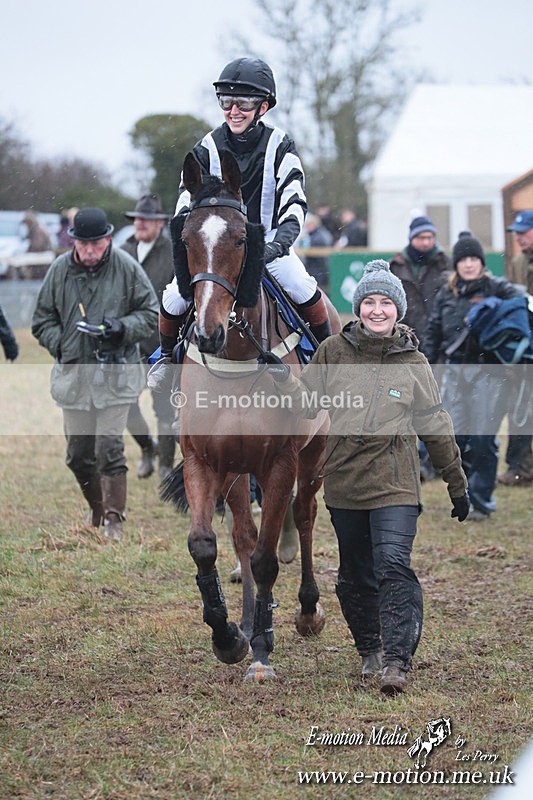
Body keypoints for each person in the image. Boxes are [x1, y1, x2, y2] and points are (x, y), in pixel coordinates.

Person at [268, 259, 469, 696]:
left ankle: (397, 661)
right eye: (370, 302)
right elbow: (306, 406)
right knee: (354, 576)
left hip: (395, 484)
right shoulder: (332, 353)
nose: (378, 310)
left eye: (386, 303)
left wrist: (457, 484)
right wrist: (284, 378)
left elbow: (435, 425)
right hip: (344, 484)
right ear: (358, 307)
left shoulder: (414, 363)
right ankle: (369, 650)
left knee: (393, 564)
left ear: (398, 310)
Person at [159, 57, 332, 357]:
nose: (233, 111)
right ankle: (164, 362)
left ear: (263, 107)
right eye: (226, 102)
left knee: (303, 288)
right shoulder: (205, 148)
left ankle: (326, 360)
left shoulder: (281, 145)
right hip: (215, 251)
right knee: (173, 299)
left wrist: (276, 247)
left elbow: (294, 205)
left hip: (269, 248)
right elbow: (182, 210)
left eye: (243, 103)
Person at [32, 208, 158, 541]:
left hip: (116, 373)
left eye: (97, 244)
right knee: (78, 455)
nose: (89, 251)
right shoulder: (59, 270)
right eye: (83, 244)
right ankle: (97, 507)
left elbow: (150, 313)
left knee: (109, 448)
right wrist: (62, 345)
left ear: (107, 240)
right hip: (74, 376)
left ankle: (115, 519)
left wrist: (122, 328)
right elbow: (41, 320)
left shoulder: (126, 268)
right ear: (74, 241)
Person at [422, 231, 522, 521]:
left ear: (481, 262)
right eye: (463, 259)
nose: (468, 264)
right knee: (456, 437)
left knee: (482, 439)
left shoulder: (498, 289)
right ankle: (463, 494)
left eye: (473, 259)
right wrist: (425, 367)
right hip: (454, 372)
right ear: (456, 264)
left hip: (489, 374)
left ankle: (481, 502)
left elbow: (522, 304)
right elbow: (433, 333)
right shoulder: (446, 293)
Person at [390, 216, 452, 481]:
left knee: (433, 406)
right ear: (411, 238)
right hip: (404, 345)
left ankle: (431, 461)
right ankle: (409, 459)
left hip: (437, 345)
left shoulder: (445, 265)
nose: (426, 242)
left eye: (430, 237)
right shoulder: (397, 266)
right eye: (421, 237)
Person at [121, 194, 176, 481]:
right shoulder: (123, 250)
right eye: (137, 219)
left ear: (160, 223)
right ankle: (147, 449)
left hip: (160, 343)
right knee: (126, 404)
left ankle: (166, 463)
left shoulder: (172, 252)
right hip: (128, 343)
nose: (140, 224)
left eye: (146, 219)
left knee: (164, 408)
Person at [498, 210, 533, 487]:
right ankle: (521, 468)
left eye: (524, 232)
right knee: (520, 407)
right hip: (525, 346)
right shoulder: (519, 262)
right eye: (517, 233)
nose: (519, 238)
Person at [302, 212, 333, 291]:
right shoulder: (316, 235)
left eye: (309, 225)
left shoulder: (318, 237)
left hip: (317, 269)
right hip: (316, 269)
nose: (307, 227)